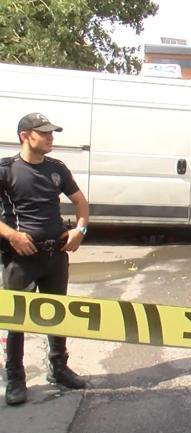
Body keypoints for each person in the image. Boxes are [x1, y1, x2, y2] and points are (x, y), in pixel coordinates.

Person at [0, 113, 90, 405]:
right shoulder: (6, 170)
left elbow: (80, 202)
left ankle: (59, 367)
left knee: (56, 314)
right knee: (18, 319)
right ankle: (15, 377)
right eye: (45, 132)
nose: (51, 137)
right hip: (21, 258)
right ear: (25, 136)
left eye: (52, 132)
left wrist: (80, 230)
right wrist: (12, 236)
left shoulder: (56, 169)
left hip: (56, 255)